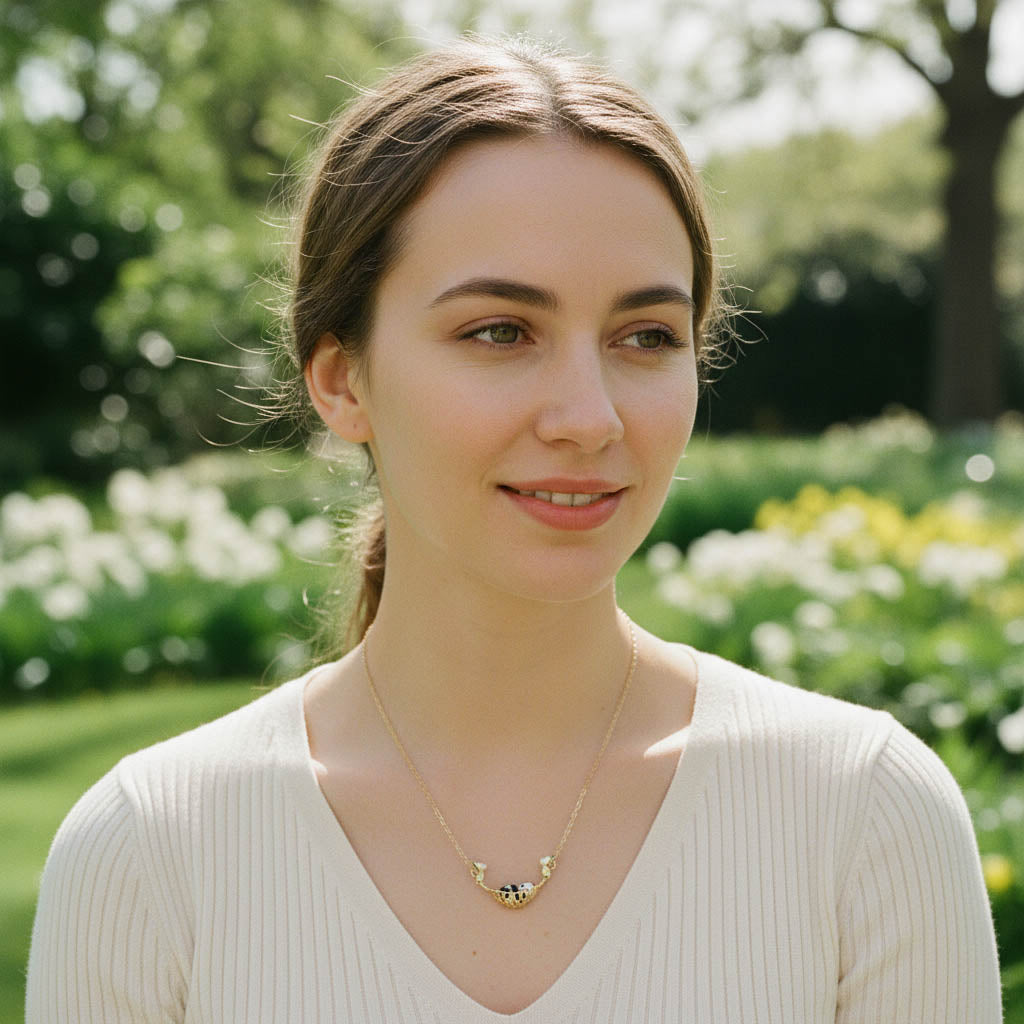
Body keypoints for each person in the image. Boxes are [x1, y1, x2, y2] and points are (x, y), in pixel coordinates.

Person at [26, 35, 1002, 1023]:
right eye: (499, 331)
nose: (590, 416)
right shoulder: (151, 855)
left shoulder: (864, 817)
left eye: (645, 337)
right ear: (341, 378)